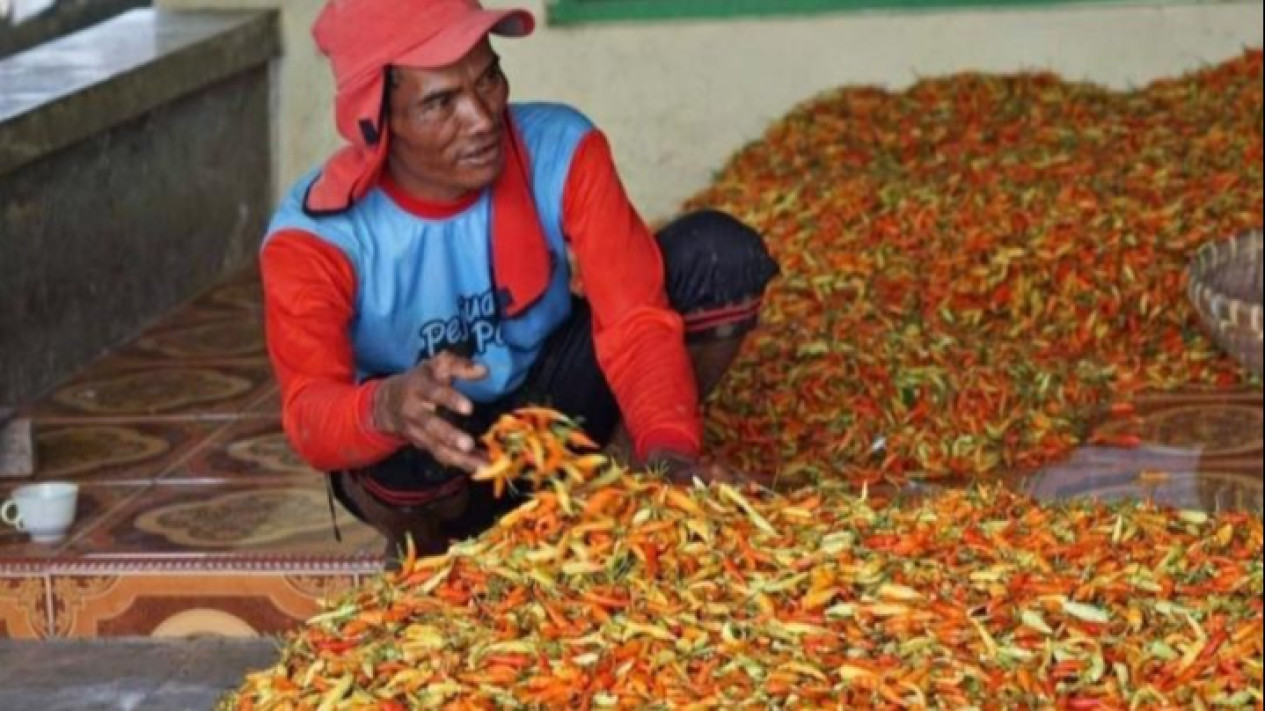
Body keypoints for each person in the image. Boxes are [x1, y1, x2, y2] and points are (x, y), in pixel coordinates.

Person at [261, 0, 780, 556]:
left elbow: (633, 317)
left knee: (717, 256)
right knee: (403, 445)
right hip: (446, 442)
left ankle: (622, 477)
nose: (482, 119)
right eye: (440, 102)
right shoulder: (316, 238)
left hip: (555, 394)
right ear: (376, 119)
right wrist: (385, 406)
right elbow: (309, 411)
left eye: (488, 78)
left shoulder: (562, 147)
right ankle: (435, 554)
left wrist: (669, 450)